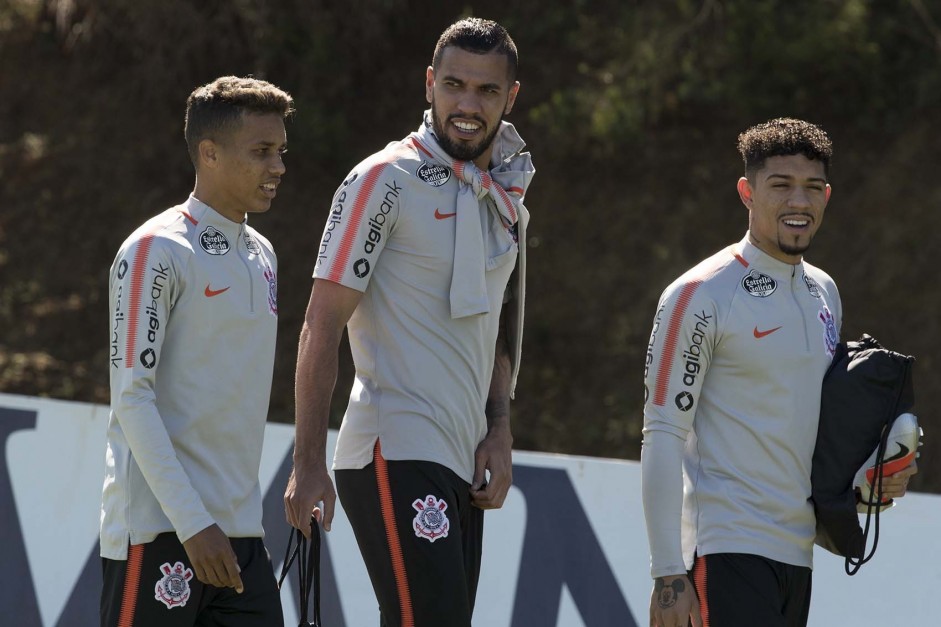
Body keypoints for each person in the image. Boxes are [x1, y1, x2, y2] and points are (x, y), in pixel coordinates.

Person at [283, 17, 534, 627]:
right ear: (428, 84)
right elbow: (321, 323)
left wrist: (498, 430)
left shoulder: (506, 194)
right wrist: (307, 462)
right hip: (391, 445)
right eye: (454, 85)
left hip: (461, 457)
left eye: (486, 91)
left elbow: (496, 328)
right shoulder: (382, 179)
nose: (467, 105)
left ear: (511, 97)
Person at [641, 118, 917, 627]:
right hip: (724, 548)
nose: (799, 202)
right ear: (747, 192)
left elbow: (809, 426)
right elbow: (661, 434)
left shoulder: (825, 292)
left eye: (812, 188)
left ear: (828, 196)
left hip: (798, 554)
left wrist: (869, 477)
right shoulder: (698, 294)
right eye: (781, 186)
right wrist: (667, 575)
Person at [100, 76, 292, 627]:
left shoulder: (264, 254)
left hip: (240, 537)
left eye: (280, 151)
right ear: (209, 154)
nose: (278, 166)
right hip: (159, 533)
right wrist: (192, 523)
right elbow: (131, 399)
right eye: (261, 152)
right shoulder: (154, 249)